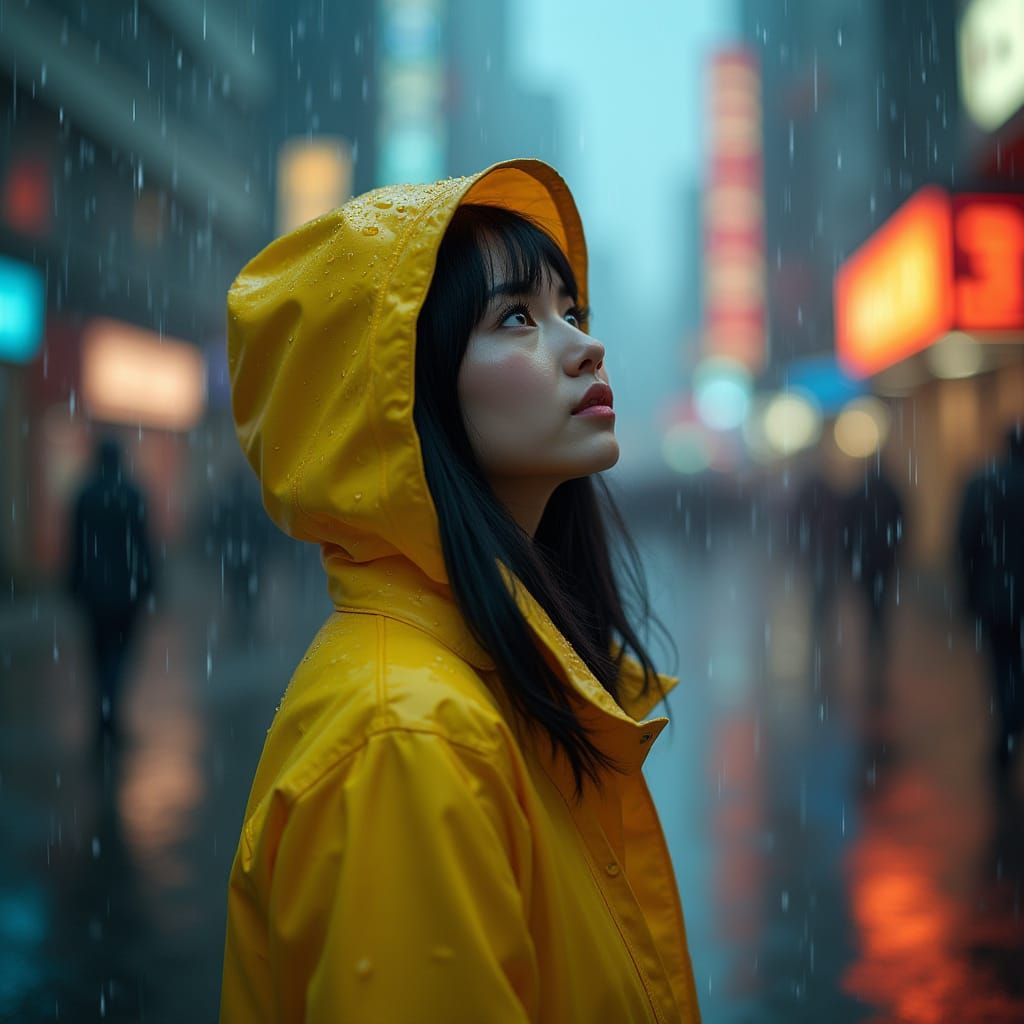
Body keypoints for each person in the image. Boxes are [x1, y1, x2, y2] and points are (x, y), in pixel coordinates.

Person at [219, 159, 702, 1023]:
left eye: (571, 310)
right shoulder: (402, 737)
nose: (583, 344)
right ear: (405, 392)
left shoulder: (493, 671)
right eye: (517, 317)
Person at [67, 435, 154, 741]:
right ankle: (110, 715)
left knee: (98, 655)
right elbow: (143, 545)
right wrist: (149, 583)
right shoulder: (131, 494)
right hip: (125, 591)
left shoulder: (85, 495)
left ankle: (104, 716)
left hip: (94, 592)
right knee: (119, 654)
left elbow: (76, 547)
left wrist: (74, 584)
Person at [956, 419, 1024, 796]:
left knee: (1002, 664)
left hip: (997, 597)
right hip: (1000, 595)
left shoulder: (984, 485)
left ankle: (1008, 726)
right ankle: (1012, 721)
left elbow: (966, 542)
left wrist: (970, 592)